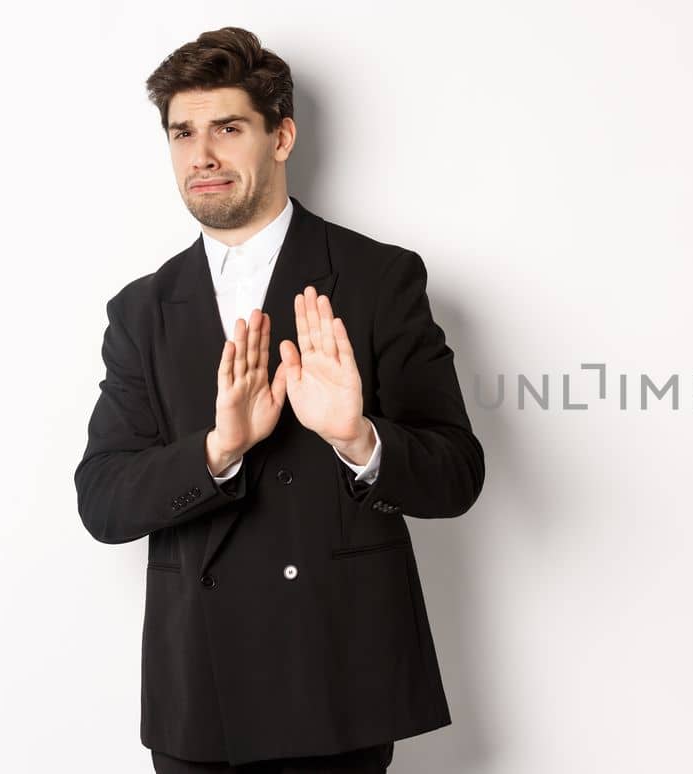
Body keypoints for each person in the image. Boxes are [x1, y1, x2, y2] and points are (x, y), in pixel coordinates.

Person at [73, 27, 485, 773]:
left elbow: (457, 475)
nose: (202, 155)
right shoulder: (139, 309)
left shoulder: (377, 278)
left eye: (228, 128)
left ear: (282, 136)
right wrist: (217, 450)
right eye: (182, 133)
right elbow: (102, 501)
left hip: (333, 683)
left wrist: (358, 437)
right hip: (199, 696)